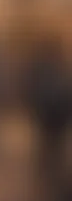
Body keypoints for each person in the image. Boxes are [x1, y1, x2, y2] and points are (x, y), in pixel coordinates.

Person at [26, 34, 70, 183]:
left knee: (50, 140)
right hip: (51, 111)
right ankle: (49, 167)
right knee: (50, 140)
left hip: (51, 111)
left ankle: (49, 166)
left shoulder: (42, 67)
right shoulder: (46, 67)